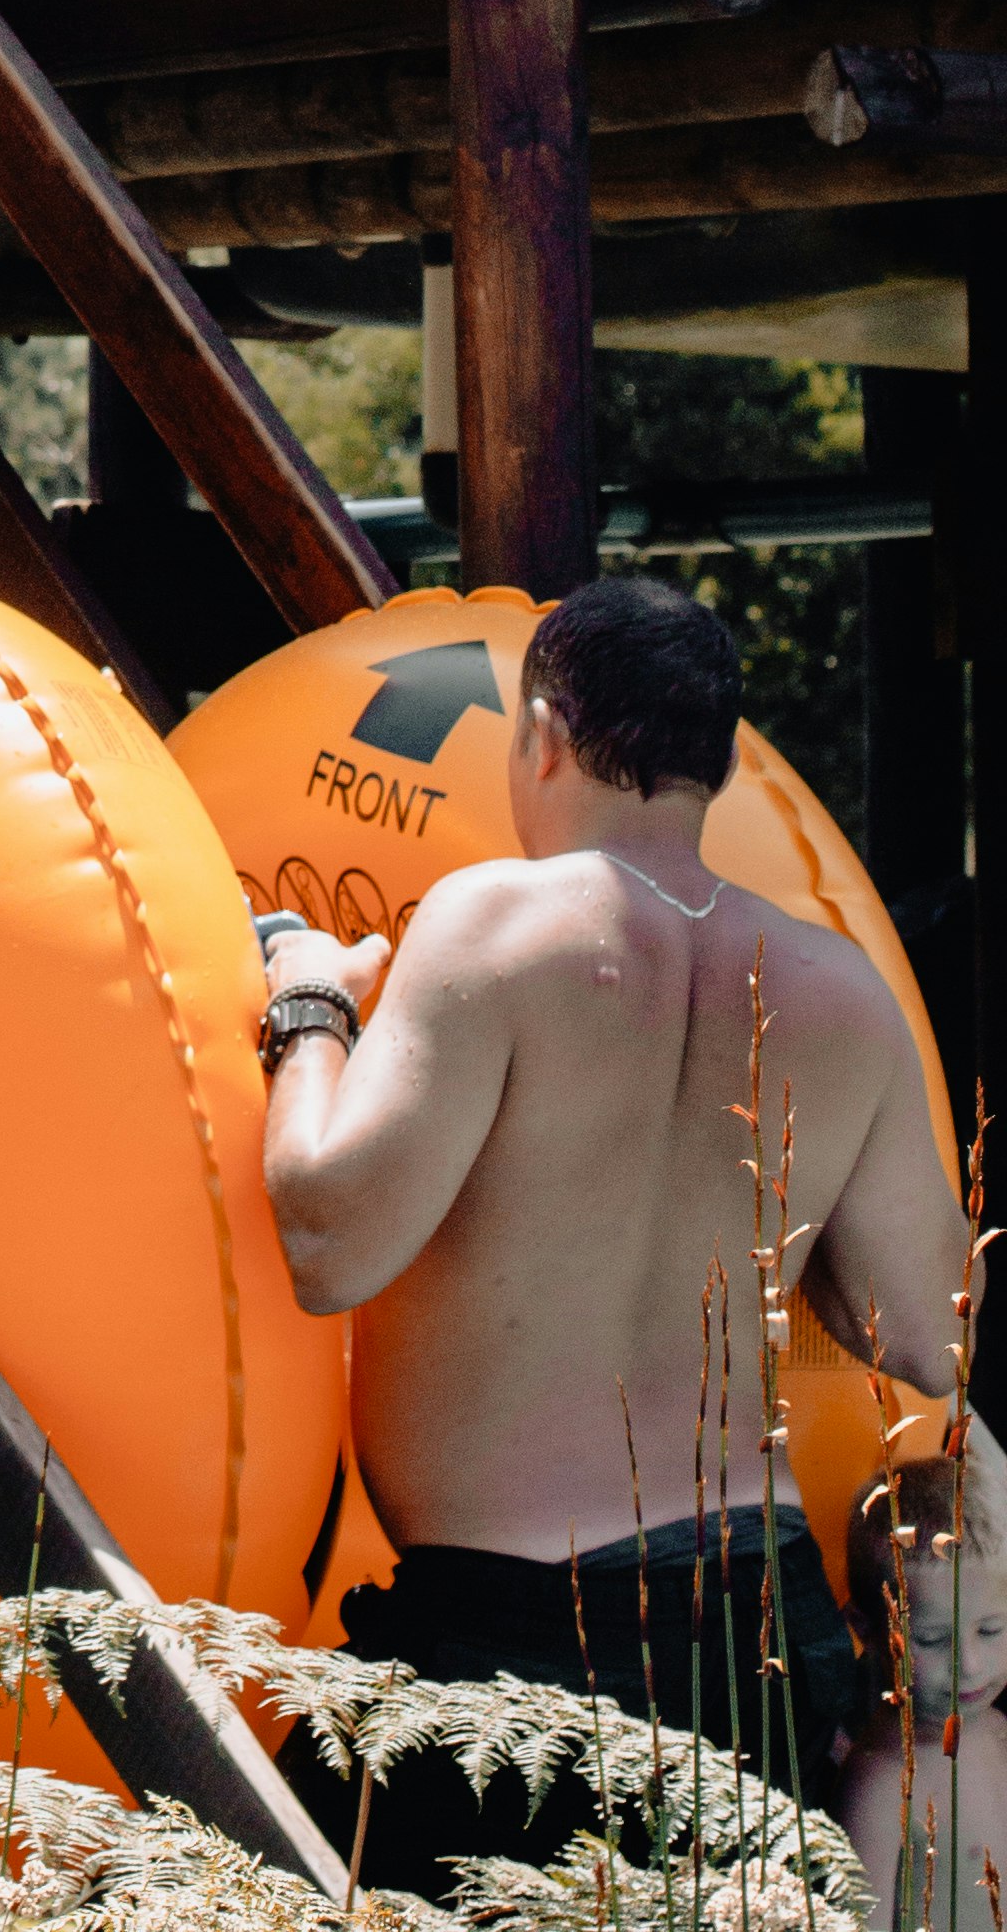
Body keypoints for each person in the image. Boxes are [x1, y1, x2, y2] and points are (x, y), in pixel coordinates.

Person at [256, 577, 959, 1898]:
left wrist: (305, 1006)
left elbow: (328, 1240)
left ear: (541, 737)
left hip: (511, 1638)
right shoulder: (838, 990)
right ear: (724, 761)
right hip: (757, 1625)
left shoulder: (498, 928)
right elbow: (926, 1336)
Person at [842, 1448, 1007, 1914]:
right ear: (867, 1630)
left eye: (991, 1629)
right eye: (934, 1640)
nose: (970, 1665)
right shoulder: (883, 1786)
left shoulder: (998, 1731)